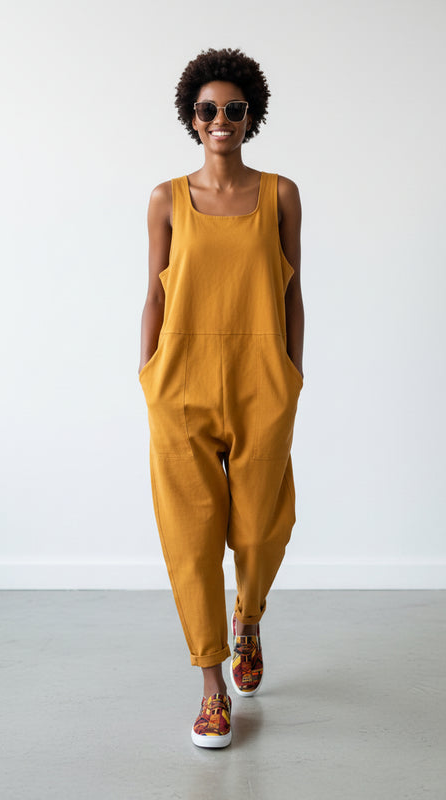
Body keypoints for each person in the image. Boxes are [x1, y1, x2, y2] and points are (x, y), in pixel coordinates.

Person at [138, 47, 304, 748]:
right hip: (180, 385)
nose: (220, 120)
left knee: (261, 528)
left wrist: (292, 372)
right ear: (191, 117)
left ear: (250, 116)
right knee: (191, 539)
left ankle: (249, 615)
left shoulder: (280, 194)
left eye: (233, 109)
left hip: (262, 380)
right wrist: (148, 374)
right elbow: (153, 291)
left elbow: (293, 289)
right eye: (207, 109)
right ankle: (212, 684)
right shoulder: (165, 199)